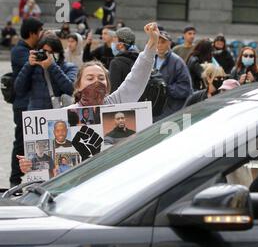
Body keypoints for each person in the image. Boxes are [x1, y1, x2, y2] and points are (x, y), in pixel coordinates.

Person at [18, 22, 159, 173]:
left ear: (108, 85)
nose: (96, 82)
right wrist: (31, 165)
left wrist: (152, 43)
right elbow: (47, 160)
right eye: (90, 78)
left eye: (101, 78)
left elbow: (137, 77)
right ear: (78, 85)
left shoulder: (115, 104)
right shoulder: (63, 116)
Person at [9, 17, 44, 187]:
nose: (41, 35)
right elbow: (34, 66)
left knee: (33, 142)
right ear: (32, 33)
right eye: (40, 32)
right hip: (22, 104)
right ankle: (14, 181)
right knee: (21, 142)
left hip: (30, 102)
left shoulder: (30, 48)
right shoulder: (19, 51)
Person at [14, 33, 78, 110]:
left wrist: (52, 67)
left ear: (58, 53)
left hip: (58, 113)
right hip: (36, 114)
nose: (47, 55)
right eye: (44, 52)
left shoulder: (69, 67)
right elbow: (19, 89)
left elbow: (71, 90)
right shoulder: (33, 67)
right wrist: (28, 65)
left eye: (50, 52)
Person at [154, 28, 192, 115]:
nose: (159, 45)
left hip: (172, 110)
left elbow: (185, 88)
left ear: (169, 43)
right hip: (155, 109)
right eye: (157, 42)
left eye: (163, 42)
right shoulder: (151, 60)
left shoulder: (177, 62)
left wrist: (164, 88)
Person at [109, 27, 140, 93]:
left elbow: (114, 91)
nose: (112, 43)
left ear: (120, 45)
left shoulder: (116, 63)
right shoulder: (139, 59)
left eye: (114, 40)